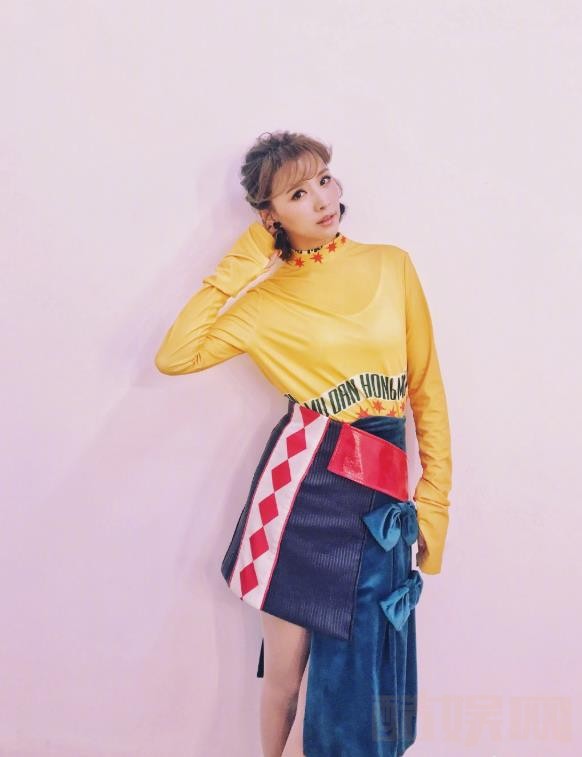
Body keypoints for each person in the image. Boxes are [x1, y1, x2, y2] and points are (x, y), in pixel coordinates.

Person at [154, 130, 452, 757]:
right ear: (270, 218)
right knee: (286, 680)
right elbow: (176, 356)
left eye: (323, 179)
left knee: (358, 679)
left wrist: (434, 501)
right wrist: (242, 262)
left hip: (377, 500)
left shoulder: (390, 264)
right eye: (296, 193)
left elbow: (426, 390)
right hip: (297, 497)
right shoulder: (262, 303)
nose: (321, 199)